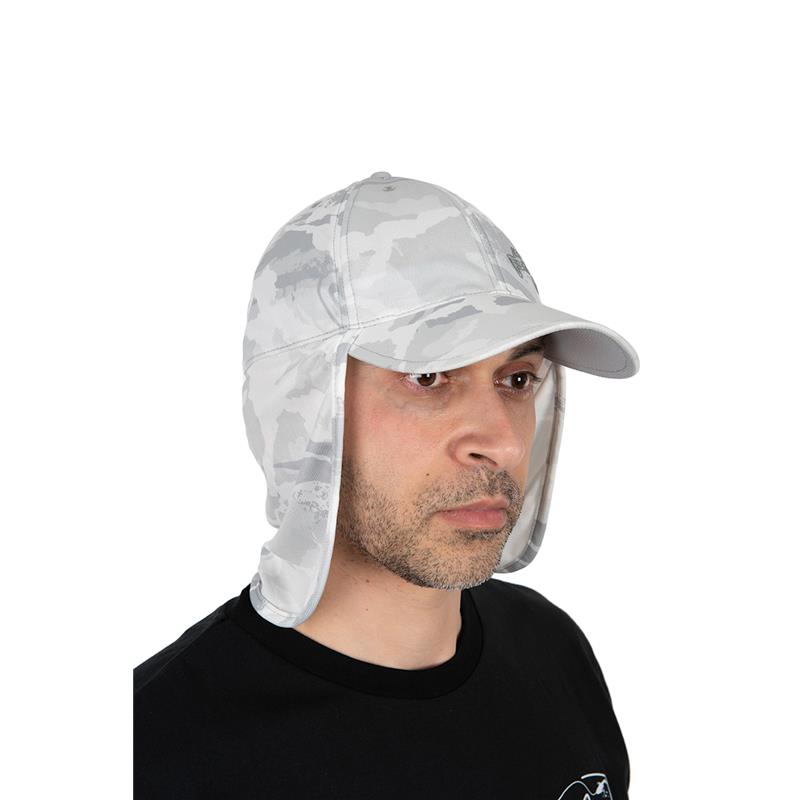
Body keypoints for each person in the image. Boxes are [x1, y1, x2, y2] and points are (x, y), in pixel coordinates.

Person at [134, 171, 640, 799]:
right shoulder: (156, 752)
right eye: (428, 377)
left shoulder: (551, 650)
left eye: (516, 379)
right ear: (302, 409)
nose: (506, 444)